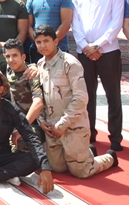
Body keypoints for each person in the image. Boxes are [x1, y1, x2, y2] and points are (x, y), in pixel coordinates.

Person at [34, 24, 118, 177]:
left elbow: (81, 98)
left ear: (56, 41)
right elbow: (39, 96)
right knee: (57, 167)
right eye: (38, 42)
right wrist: (41, 121)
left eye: (46, 41)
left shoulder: (70, 63)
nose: (42, 45)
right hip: (53, 128)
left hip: (73, 126)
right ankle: (87, 152)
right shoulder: (40, 65)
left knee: (81, 171)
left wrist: (62, 124)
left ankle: (109, 158)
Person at [71, 0, 124, 151]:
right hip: (84, 52)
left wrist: (97, 45)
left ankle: (115, 138)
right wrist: (85, 46)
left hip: (108, 52)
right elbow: (75, 23)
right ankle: (89, 134)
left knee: (113, 95)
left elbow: (116, 23)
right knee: (86, 96)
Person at [26, 0, 73, 66]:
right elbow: (28, 26)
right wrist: (39, 43)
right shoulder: (31, 0)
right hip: (37, 51)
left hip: (59, 49)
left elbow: (66, 24)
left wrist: (50, 44)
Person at [3, 38, 44, 152]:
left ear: (23, 57)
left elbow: (38, 103)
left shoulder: (31, 74)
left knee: (23, 140)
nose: (11, 60)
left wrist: (21, 128)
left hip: (33, 122)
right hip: (14, 120)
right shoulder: (9, 69)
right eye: (8, 56)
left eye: (15, 55)